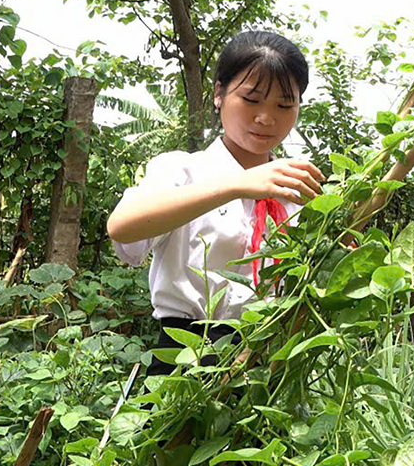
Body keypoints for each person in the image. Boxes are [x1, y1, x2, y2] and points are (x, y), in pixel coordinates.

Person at [108, 30, 326, 377]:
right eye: (252, 99)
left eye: (284, 105)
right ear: (219, 95)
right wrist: (237, 185)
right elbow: (122, 228)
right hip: (183, 362)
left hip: (267, 368)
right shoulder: (182, 170)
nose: (267, 118)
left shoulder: (299, 193)